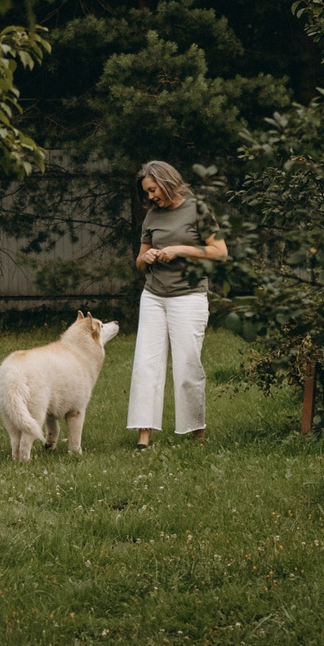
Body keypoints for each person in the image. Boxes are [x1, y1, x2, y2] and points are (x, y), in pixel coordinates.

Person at [126, 160, 228, 448]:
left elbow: (220, 252)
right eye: (146, 193)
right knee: (146, 366)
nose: (150, 197)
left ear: (166, 181)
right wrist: (143, 260)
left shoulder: (198, 210)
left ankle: (196, 432)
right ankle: (143, 438)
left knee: (187, 365)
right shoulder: (152, 217)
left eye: (153, 190)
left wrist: (180, 250)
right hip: (154, 297)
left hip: (189, 297)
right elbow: (139, 261)